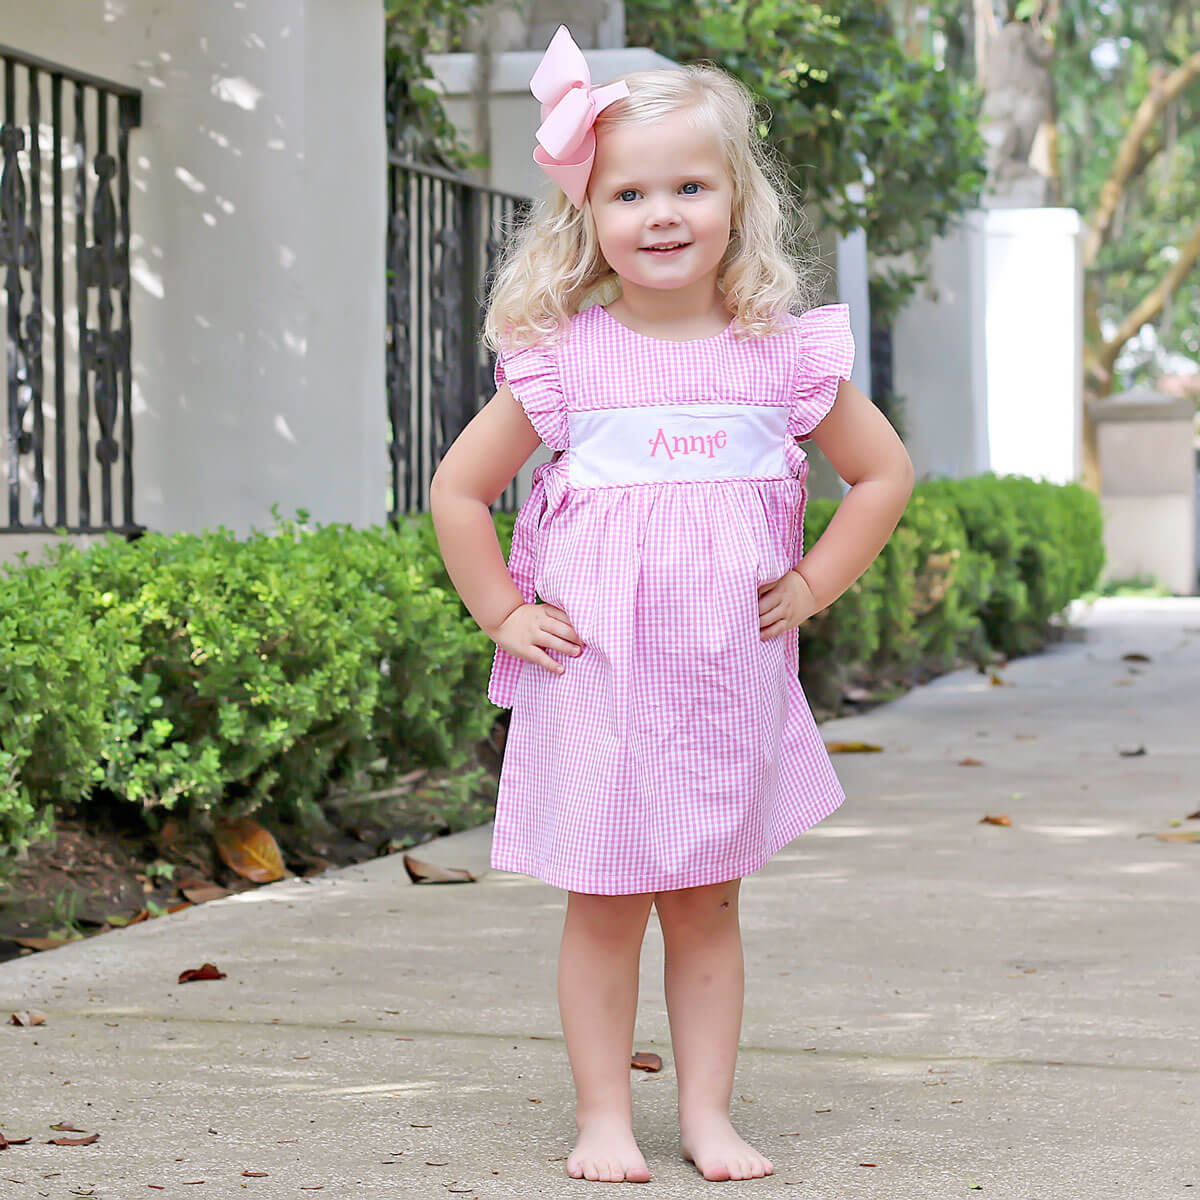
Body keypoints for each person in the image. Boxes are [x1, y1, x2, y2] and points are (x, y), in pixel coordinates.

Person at [429, 25, 914, 1185]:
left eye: (690, 187)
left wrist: (811, 583)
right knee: (604, 906)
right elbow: (458, 490)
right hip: (595, 682)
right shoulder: (564, 358)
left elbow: (883, 474)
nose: (661, 214)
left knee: (705, 905)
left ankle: (707, 1117)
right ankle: (603, 1117)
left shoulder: (779, 356)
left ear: (736, 202)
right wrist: (501, 611)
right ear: (585, 212)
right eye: (628, 192)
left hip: (719, 685)